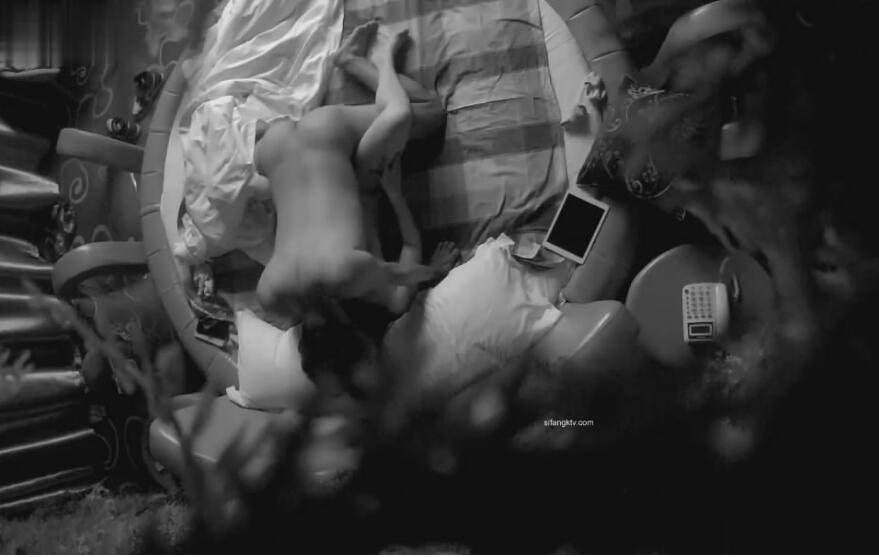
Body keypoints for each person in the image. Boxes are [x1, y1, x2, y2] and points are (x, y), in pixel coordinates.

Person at [255, 21, 458, 325]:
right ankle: (350, 60)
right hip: (273, 150)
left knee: (426, 112)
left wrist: (434, 271)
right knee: (395, 128)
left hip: (327, 140)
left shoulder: (349, 276)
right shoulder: (271, 295)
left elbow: (405, 264)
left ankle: (381, 61)